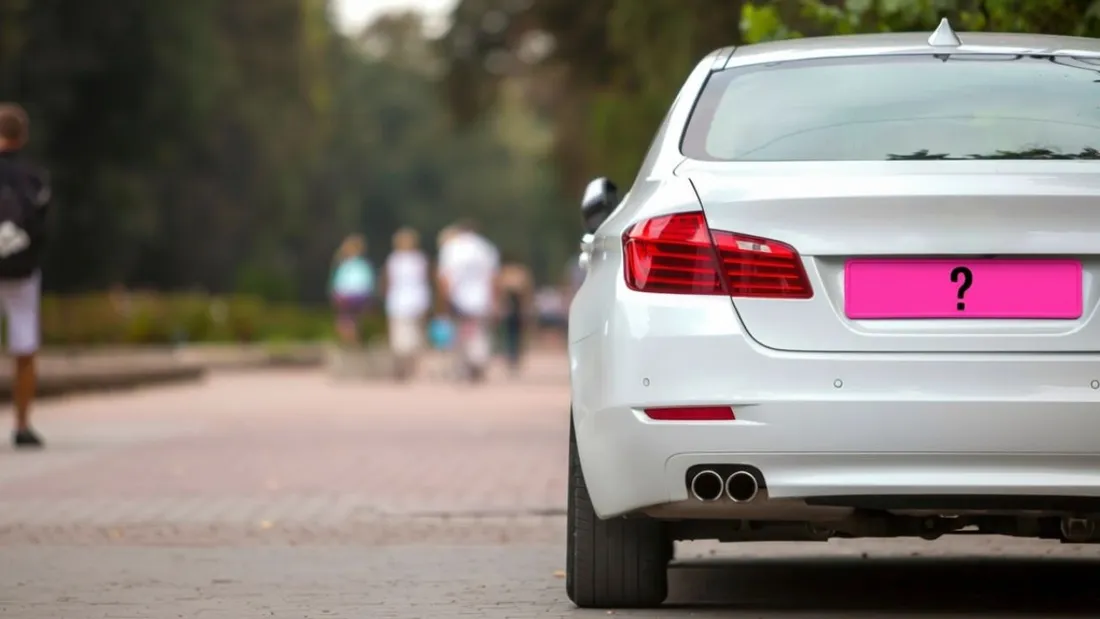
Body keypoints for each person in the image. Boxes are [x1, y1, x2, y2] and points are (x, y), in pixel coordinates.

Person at [0, 103, 50, 449]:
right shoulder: (33, 177)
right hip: (21, 270)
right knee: (24, 347)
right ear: (23, 137)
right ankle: (22, 424)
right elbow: (44, 225)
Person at [436, 219, 500, 383]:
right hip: (480, 298)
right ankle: (478, 361)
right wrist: (495, 300)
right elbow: (493, 277)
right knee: (478, 332)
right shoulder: (486, 247)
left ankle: (466, 365)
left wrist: (443, 300)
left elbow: (445, 277)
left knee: (461, 333)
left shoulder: (451, 248)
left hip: (458, 298)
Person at [382, 227, 430, 380]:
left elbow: (389, 282)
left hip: (403, 301)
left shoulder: (396, 259)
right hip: (411, 300)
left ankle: (405, 368)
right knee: (411, 337)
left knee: (403, 337)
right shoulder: (417, 259)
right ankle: (408, 368)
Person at [329, 234, 375, 345]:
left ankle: (352, 339)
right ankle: (349, 339)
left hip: (353, 296)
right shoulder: (346, 264)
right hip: (350, 296)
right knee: (348, 320)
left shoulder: (354, 265)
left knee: (349, 320)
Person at [497, 260, 532, 376]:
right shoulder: (516, 275)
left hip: (516, 312)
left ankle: (514, 358)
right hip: (511, 312)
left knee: (515, 336)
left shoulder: (508, 275)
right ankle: (511, 358)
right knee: (511, 336)